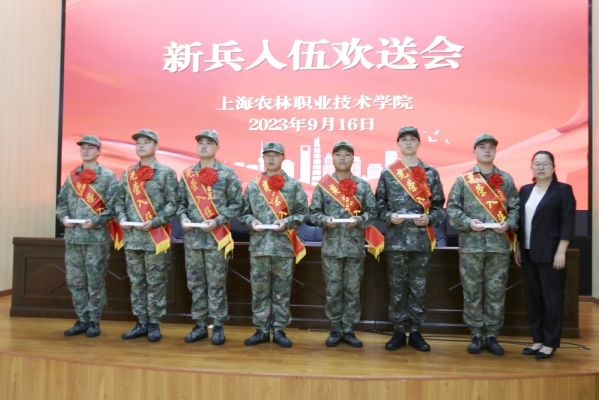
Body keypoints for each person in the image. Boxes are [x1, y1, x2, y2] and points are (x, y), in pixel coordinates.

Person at [446, 133, 519, 356]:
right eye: (482, 147)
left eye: (491, 147)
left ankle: (493, 335)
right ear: (474, 152)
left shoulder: (506, 179)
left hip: (498, 246)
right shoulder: (464, 180)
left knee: (496, 291)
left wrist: (509, 223)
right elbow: (452, 208)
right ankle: (476, 334)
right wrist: (468, 222)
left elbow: (516, 208)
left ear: (495, 151)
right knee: (472, 291)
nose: (487, 150)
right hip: (472, 246)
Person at [376, 126, 445, 352]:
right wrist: (389, 216)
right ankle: (398, 331)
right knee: (397, 287)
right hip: (396, 240)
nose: (408, 143)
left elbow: (439, 207)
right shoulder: (389, 173)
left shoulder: (430, 173)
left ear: (419, 143)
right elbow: (378, 205)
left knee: (418, 287)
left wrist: (429, 219)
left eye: (412, 139)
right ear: (398, 144)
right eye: (404, 139)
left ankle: (415, 331)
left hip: (420, 240)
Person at [309, 140, 380, 348]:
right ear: (332, 158)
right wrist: (325, 220)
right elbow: (313, 214)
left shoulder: (363, 186)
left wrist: (359, 220)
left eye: (347, 154)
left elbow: (372, 213)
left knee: (352, 289)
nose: (342, 158)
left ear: (353, 159)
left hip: (354, 248)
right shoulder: (323, 185)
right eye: (338, 154)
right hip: (331, 248)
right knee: (333, 290)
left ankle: (348, 329)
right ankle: (335, 328)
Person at [238, 142, 308, 348]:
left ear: (283, 158)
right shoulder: (253, 186)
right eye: (267, 155)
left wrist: (286, 222)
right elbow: (243, 212)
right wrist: (252, 221)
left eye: (275, 155)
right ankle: (261, 329)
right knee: (259, 290)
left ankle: (279, 330)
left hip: (283, 246)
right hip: (259, 247)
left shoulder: (293, 185)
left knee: (281, 291)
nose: (271, 158)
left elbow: (303, 213)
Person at [177, 130, 242, 345]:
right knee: (195, 283)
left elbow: (236, 204)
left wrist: (218, 220)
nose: (204, 146)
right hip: (193, 239)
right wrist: (183, 218)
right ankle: (200, 324)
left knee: (216, 283)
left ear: (217, 148)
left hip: (217, 238)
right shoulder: (188, 175)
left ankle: (218, 326)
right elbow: (180, 204)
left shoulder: (228, 174)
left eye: (209, 143)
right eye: (201, 143)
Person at [115, 129, 178, 342]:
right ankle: (141, 321)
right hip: (132, 238)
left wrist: (155, 221)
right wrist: (122, 217)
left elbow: (173, 204)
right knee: (136, 282)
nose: (141, 145)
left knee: (156, 282)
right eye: (138, 142)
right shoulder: (128, 174)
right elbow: (119, 201)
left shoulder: (166, 173)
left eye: (146, 142)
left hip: (155, 237)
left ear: (156, 146)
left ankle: (154, 324)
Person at [56, 135, 121, 338]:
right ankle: (82, 318)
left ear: (99, 151)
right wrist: (64, 217)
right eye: (83, 147)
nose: (85, 150)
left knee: (95, 281)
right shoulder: (72, 176)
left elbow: (113, 207)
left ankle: (94, 320)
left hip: (96, 239)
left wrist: (97, 220)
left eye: (90, 147)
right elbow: (62, 203)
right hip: (73, 238)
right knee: (75, 281)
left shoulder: (108, 176)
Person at [515, 151, 575, 359]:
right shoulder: (525, 190)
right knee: (534, 299)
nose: (541, 167)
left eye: (545, 164)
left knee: (552, 299)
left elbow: (567, 223)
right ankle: (538, 340)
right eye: (537, 164)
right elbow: (521, 222)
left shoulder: (563, 190)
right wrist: (518, 247)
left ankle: (550, 343)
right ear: (531, 167)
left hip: (551, 254)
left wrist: (561, 251)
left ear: (553, 167)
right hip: (528, 253)